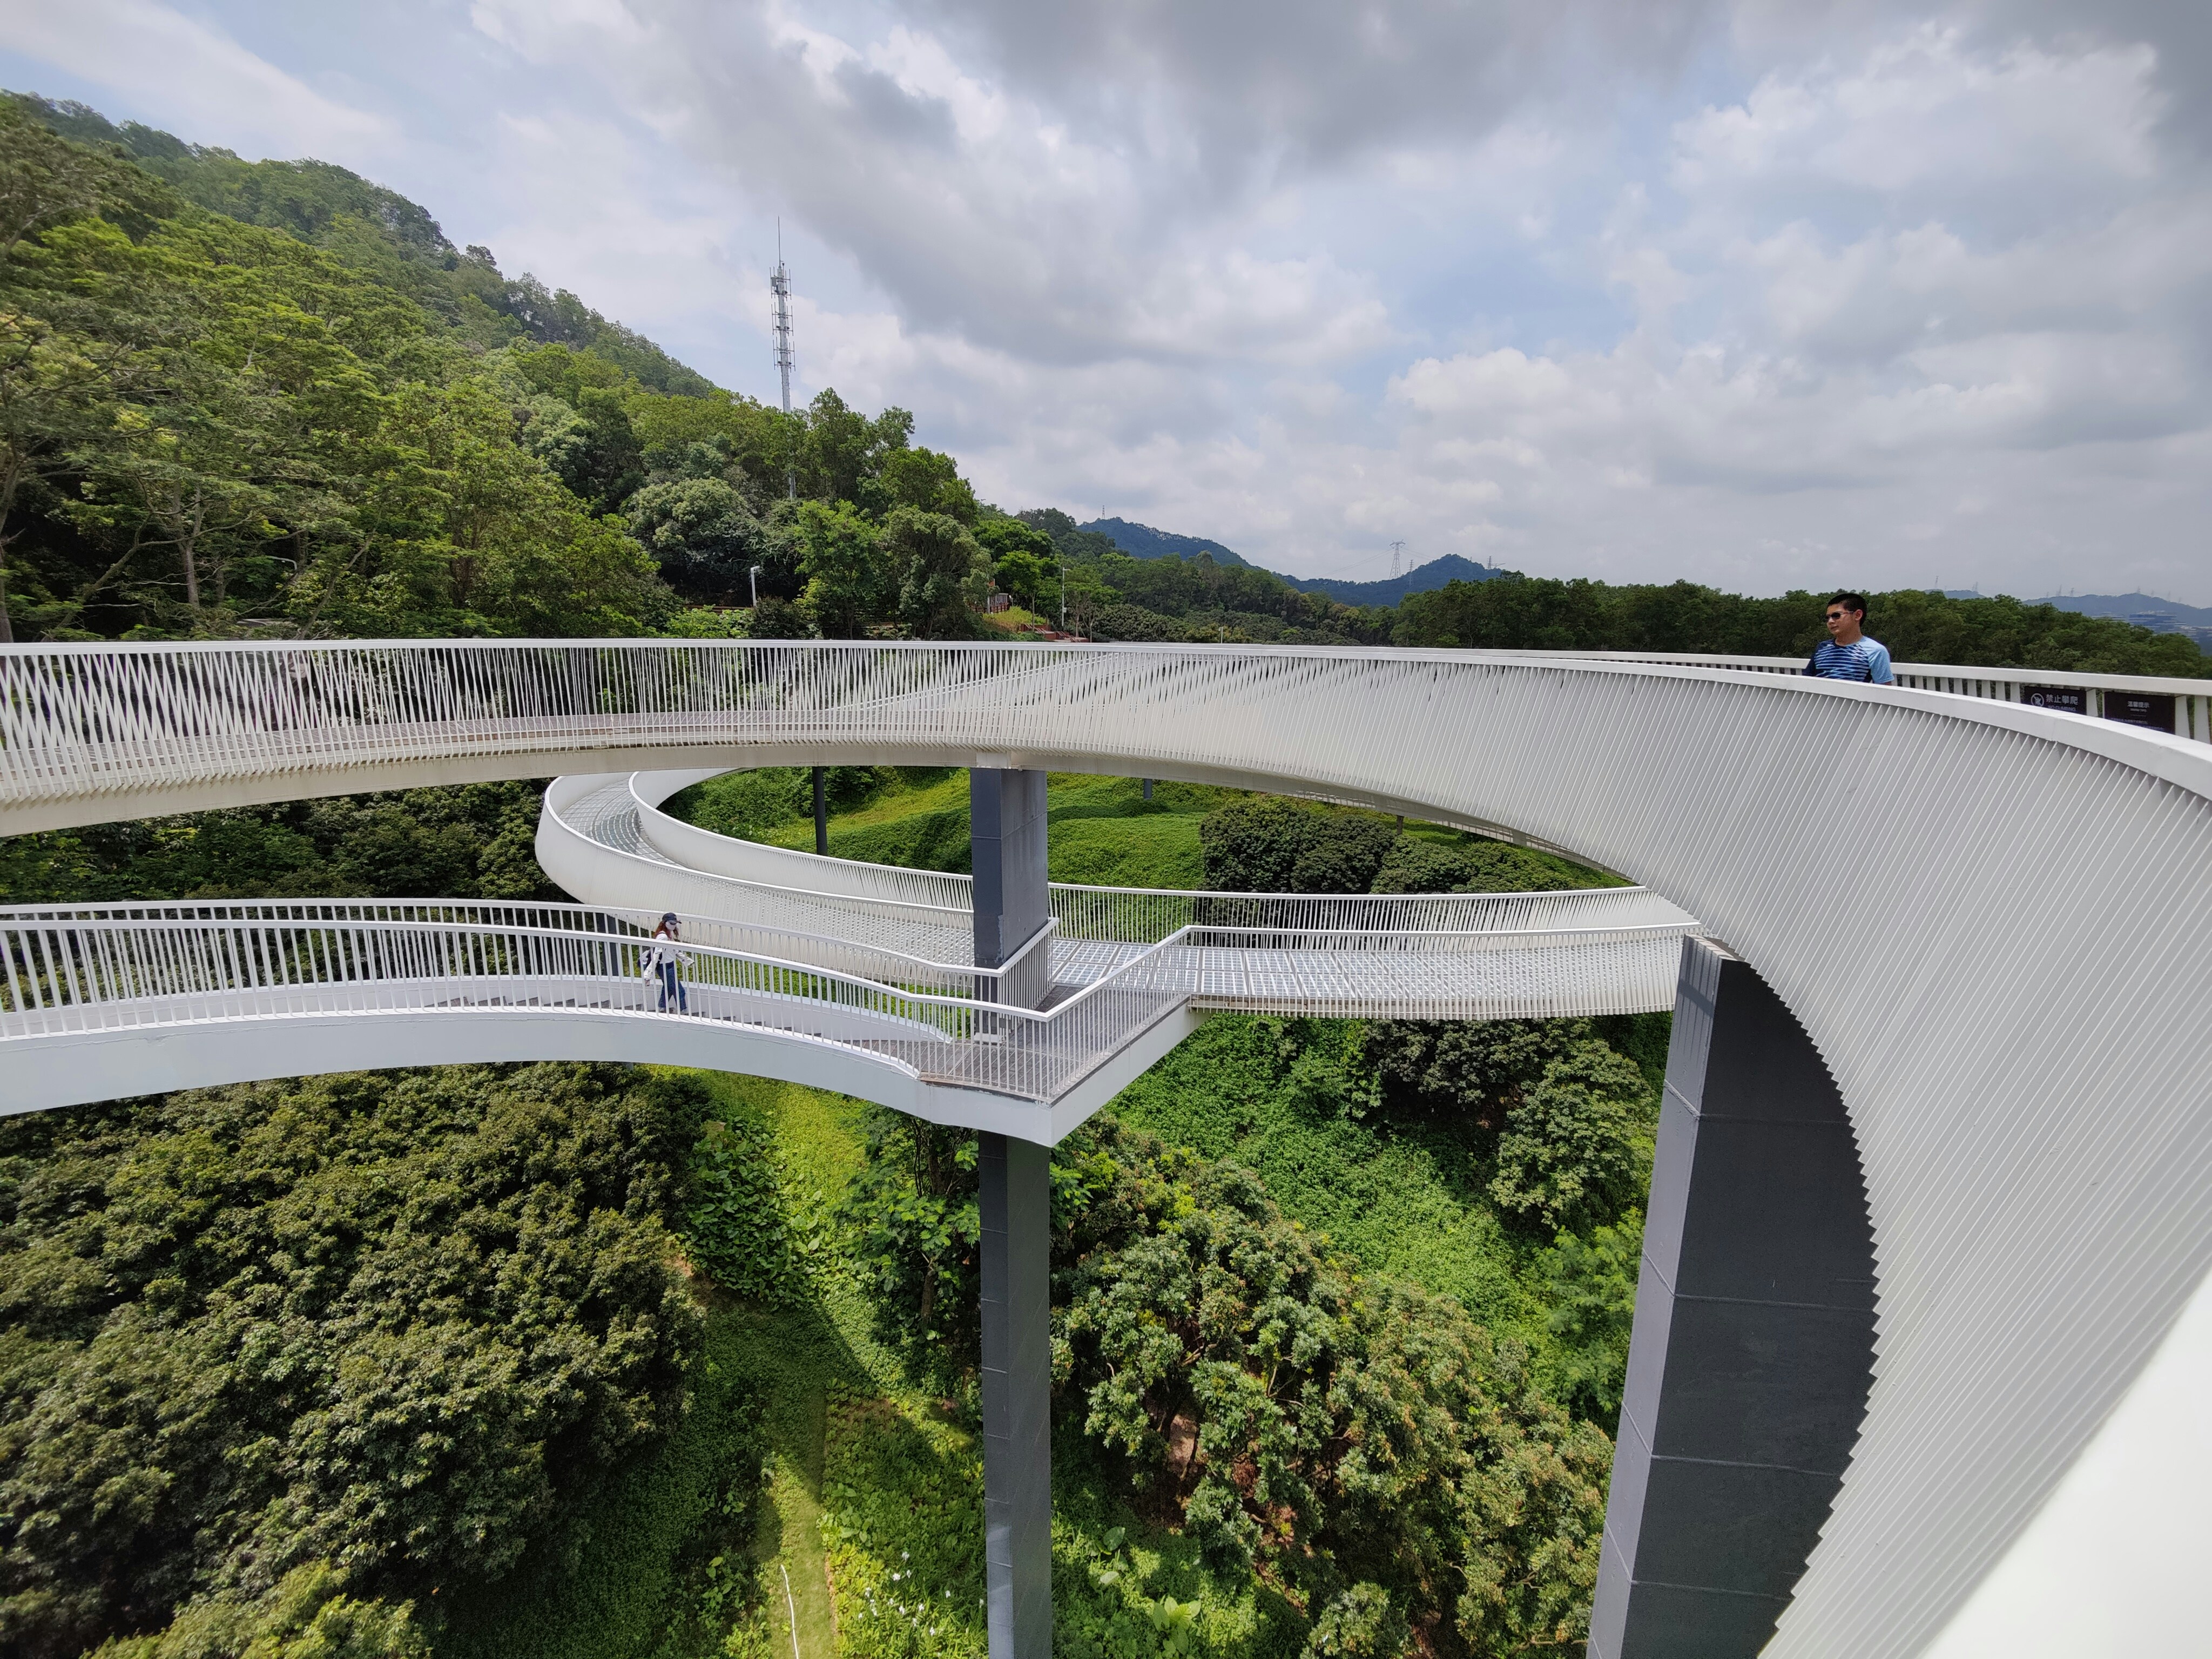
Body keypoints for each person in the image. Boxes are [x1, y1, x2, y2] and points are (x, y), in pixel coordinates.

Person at [1804, 592, 1894, 684]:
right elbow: (1806, 681)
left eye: (1837, 616)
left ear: (1858, 615)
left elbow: (1884, 691)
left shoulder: (1876, 651)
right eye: (1827, 618)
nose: (1830, 621)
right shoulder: (1822, 647)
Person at [643, 912, 691, 1013]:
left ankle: (662, 1007)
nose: (674, 926)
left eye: (675, 923)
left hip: (669, 965)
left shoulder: (668, 934)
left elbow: (673, 950)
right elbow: (656, 955)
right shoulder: (663, 937)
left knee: (669, 988)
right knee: (679, 991)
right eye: (672, 923)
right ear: (665, 923)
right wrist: (648, 973)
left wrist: (686, 960)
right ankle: (683, 1011)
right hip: (665, 967)